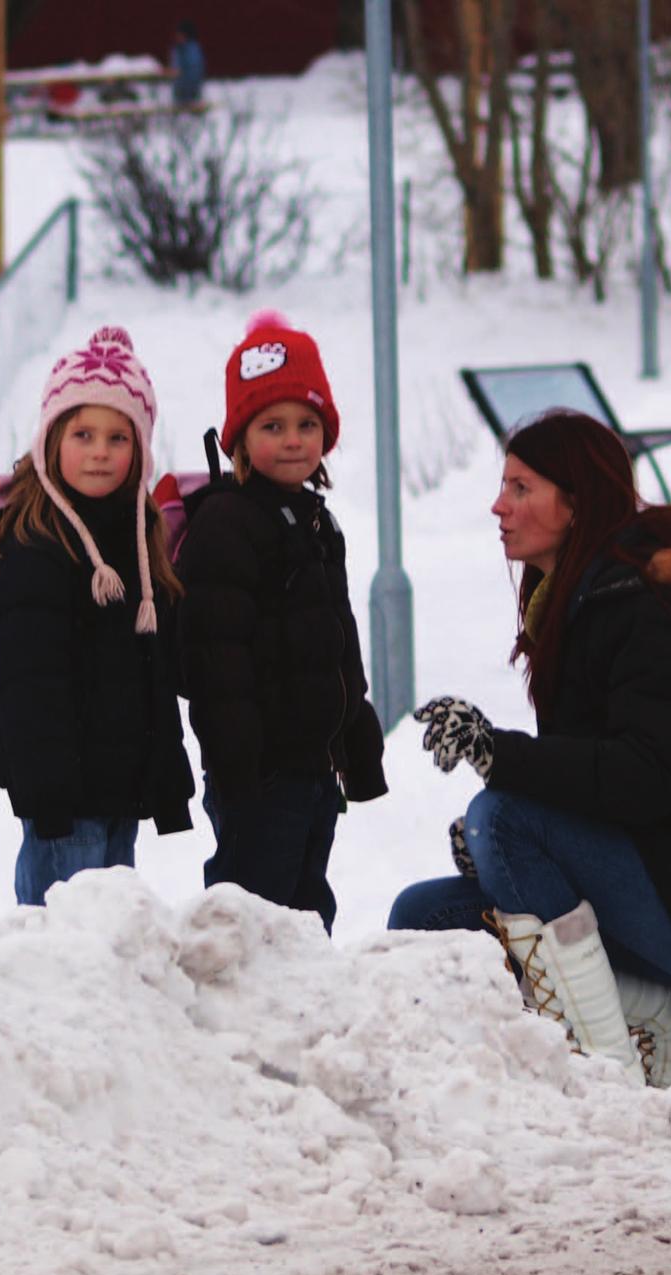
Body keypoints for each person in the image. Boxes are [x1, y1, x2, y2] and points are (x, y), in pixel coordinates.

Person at [388, 409, 671, 1091]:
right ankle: (663, 1020)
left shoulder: (650, 609)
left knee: (500, 815)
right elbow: (597, 788)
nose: (498, 505)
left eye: (521, 487)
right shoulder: (580, 607)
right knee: (422, 917)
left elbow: (647, 778)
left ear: (577, 501)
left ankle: (604, 1079)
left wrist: (502, 762)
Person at [176, 311, 387, 935]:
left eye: (307, 424)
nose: (293, 439)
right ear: (240, 439)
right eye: (272, 426)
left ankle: (303, 1020)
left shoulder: (318, 521)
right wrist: (241, 768)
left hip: (314, 766)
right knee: (252, 913)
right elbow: (216, 657)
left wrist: (356, 737)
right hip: (260, 771)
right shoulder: (228, 522)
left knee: (307, 907)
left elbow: (338, 642)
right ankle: (238, 1024)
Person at [0, 325, 194, 906]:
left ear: (141, 450)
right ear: (52, 441)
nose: (100, 451)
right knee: (68, 956)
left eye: (118, 438)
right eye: (82, 434)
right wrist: (49, 795)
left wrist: (164, 776)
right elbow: (28, 686)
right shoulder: (34, 546)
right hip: (64, 807)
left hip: (118, 793)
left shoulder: (137, 539)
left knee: (107, 949)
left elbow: (149, 674)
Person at [169, 20, 206, 106]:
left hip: (188, 96)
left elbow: (194, 73)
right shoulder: (177, 49)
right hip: (179, 95)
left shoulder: (192, 51)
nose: (177, 36)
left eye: (179, 34)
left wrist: (187, 94)